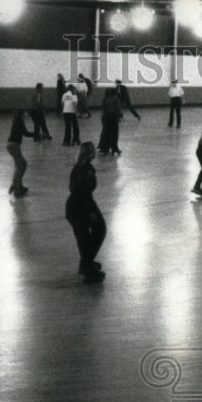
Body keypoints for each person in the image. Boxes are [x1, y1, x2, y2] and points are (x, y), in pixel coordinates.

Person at [65, 142, 106, 283]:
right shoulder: (87, 169)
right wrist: (90, 211)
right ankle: (87, 266)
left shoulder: (77, 167)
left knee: (85, 237)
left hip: (73, 207)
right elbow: (83, 192)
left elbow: (74, 189)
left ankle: (86, 262)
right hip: (81, 207)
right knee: (98, 230)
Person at [6, 107, 35, 196]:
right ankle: (16, 187)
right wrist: (37, 134)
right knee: (21, 166)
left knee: (20, 165)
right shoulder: (19, 121)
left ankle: (18, 185)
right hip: (14, 145)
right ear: (21, 114)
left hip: (12, 145)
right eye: (25, 113)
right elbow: (26, 134)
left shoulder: (16, 121)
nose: (26, 115)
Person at [98, 87, 121, 156]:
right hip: (113, 116)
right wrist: (119, 116)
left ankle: (104, 148)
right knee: (114, 133)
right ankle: (114, 148)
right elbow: (118, 108)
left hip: (106, 117)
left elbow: (103, 109)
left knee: (105, 133)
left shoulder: (105, 99)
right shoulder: (116, 98)